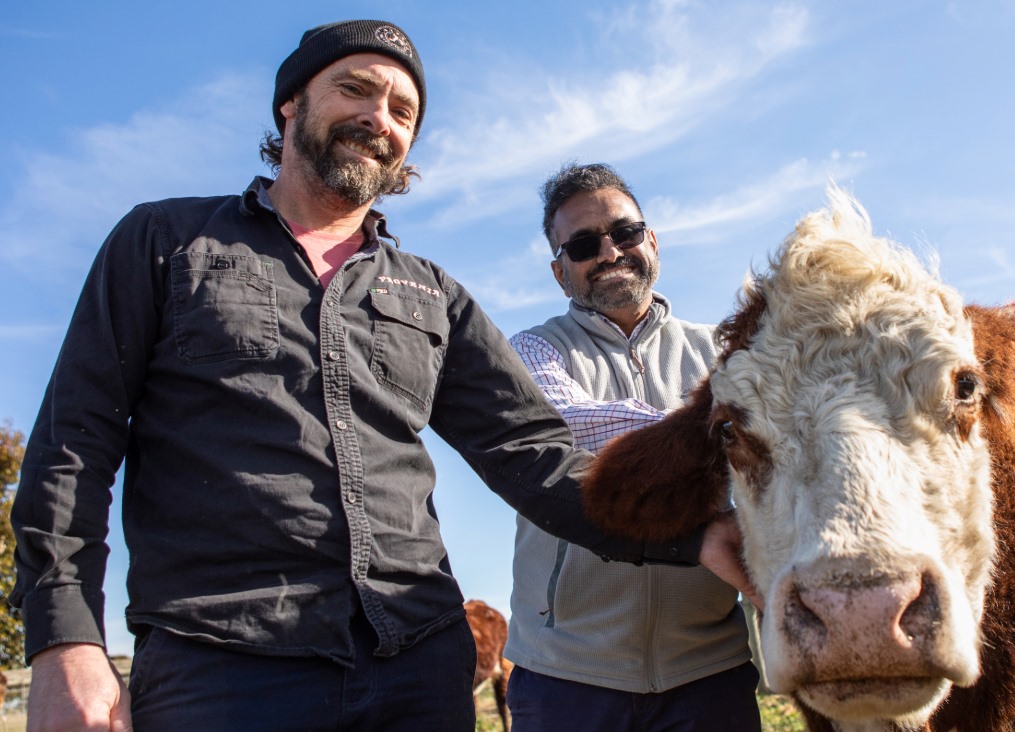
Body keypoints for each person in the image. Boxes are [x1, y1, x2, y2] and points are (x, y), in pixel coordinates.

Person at [9, 23, 753, 731]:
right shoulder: (166, 242)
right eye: (355, 90)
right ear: (290, 103)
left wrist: (691, 536)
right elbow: (74, 445)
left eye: (403, 110)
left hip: (418, 670)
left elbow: (535, 458)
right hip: (224, 665)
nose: (380, 117)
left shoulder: (434, 295)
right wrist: (64, 638)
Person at [504, 163, 762, 732]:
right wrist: (720, 426)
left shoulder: (725, 354)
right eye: (583, 244)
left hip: (709, 669)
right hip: (567, 674)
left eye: (624, 232)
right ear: (560, 270)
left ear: (652, 241)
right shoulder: (529, 351)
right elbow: (567, 424)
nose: (610, 252)